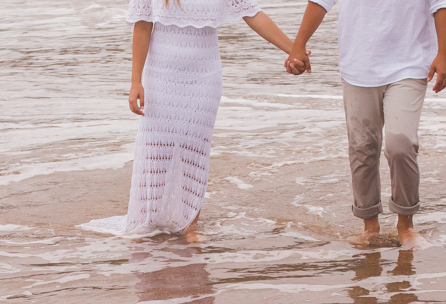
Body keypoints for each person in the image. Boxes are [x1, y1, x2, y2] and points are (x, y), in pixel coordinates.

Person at [83, 0, 301, 239]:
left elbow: (253, 15)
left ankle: (190, 225)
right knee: (157, 148)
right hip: (161, 74)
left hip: (204, 76)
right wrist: (136, 81)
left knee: (194, 150)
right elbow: (142, 26)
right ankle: (150, 219)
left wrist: (293, 50)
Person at [286, 0, 446, 249]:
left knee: (401, 144)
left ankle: (406, 224)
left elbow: (443, 4)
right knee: (363, 147)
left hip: (409, 64)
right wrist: (298, 45)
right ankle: (370, 226)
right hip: (359, 64)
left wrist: (444, 54)